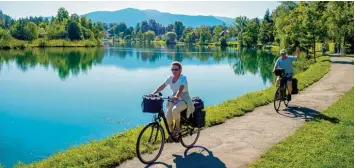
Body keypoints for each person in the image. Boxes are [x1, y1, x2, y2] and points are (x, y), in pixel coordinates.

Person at [151, 61, 195, 137]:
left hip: (184, 99)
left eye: (176, 69)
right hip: (174, 98)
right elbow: (162, 86)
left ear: (180, 70)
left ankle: (178, 128)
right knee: (168, 116)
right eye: (172, 69)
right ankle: (172, 133)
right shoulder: (170, 78)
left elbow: (181, 88)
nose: (174, 71)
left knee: (175, 110)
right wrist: (153, 93)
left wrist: (177, 96)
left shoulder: (183, 78)